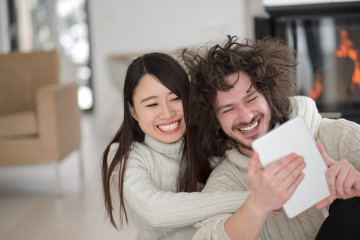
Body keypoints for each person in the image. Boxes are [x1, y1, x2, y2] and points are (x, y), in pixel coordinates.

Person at [101, 52, 298, 240]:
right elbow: (155, 210)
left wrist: (307, 118)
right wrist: (257, 199)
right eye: (152, 104)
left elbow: (292, 106)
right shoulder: (125, 156)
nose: (167, 113)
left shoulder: (209, 139)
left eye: (175, 99)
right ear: (133, 111)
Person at [181, 36, 360, 240]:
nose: (246, 116)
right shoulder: (224, 185)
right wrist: (257, 204)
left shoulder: (337, 136)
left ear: (268, 96)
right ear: (214, 120)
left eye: (251, 99)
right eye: (228, 109)